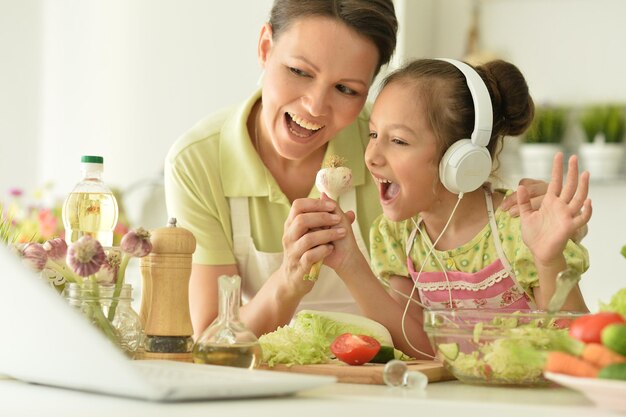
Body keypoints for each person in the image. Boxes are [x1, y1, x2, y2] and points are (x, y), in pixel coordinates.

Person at [164, 0, 550, 339]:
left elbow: (469, 210)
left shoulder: (392, 148)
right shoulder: (198, 162)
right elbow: (214, 336)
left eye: (346, 89)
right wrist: (287, 282)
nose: (315, 106)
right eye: (299, 71)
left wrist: (544, 225)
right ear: (266, 48)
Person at [324, 58, 592, 358]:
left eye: (398, 140)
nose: (372, 156)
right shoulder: (398, 236)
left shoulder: (520, 230)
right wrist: (350, 263)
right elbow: (418, 349)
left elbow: (575, 348)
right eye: (374, 134)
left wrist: (548, 259)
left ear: (462, 159)